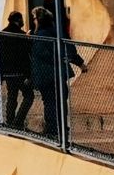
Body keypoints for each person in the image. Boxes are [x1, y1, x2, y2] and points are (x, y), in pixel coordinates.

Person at [29, 7, 83, 138]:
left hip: (46, 76)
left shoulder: (40, 36)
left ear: (39, 20)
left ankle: (53, 130)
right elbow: (70, 48)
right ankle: (62, 128)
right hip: (59, 74)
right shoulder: (58, 32)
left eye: (34, 18)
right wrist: (80, 63)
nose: (33, 21)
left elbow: (41, 53)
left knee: (49, 102)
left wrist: (30, 40)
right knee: (61, 101)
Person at [0, 11, 33, 128]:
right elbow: (27, 55)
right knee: (29, 96)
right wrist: (29, 74)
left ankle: (10, 121)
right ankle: (18, 121)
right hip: (20, 72)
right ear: (18, 20)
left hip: (8, 72)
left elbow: (0, 55)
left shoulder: (2, 34)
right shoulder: (22, 35)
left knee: (11, 97)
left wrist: (1, 74)